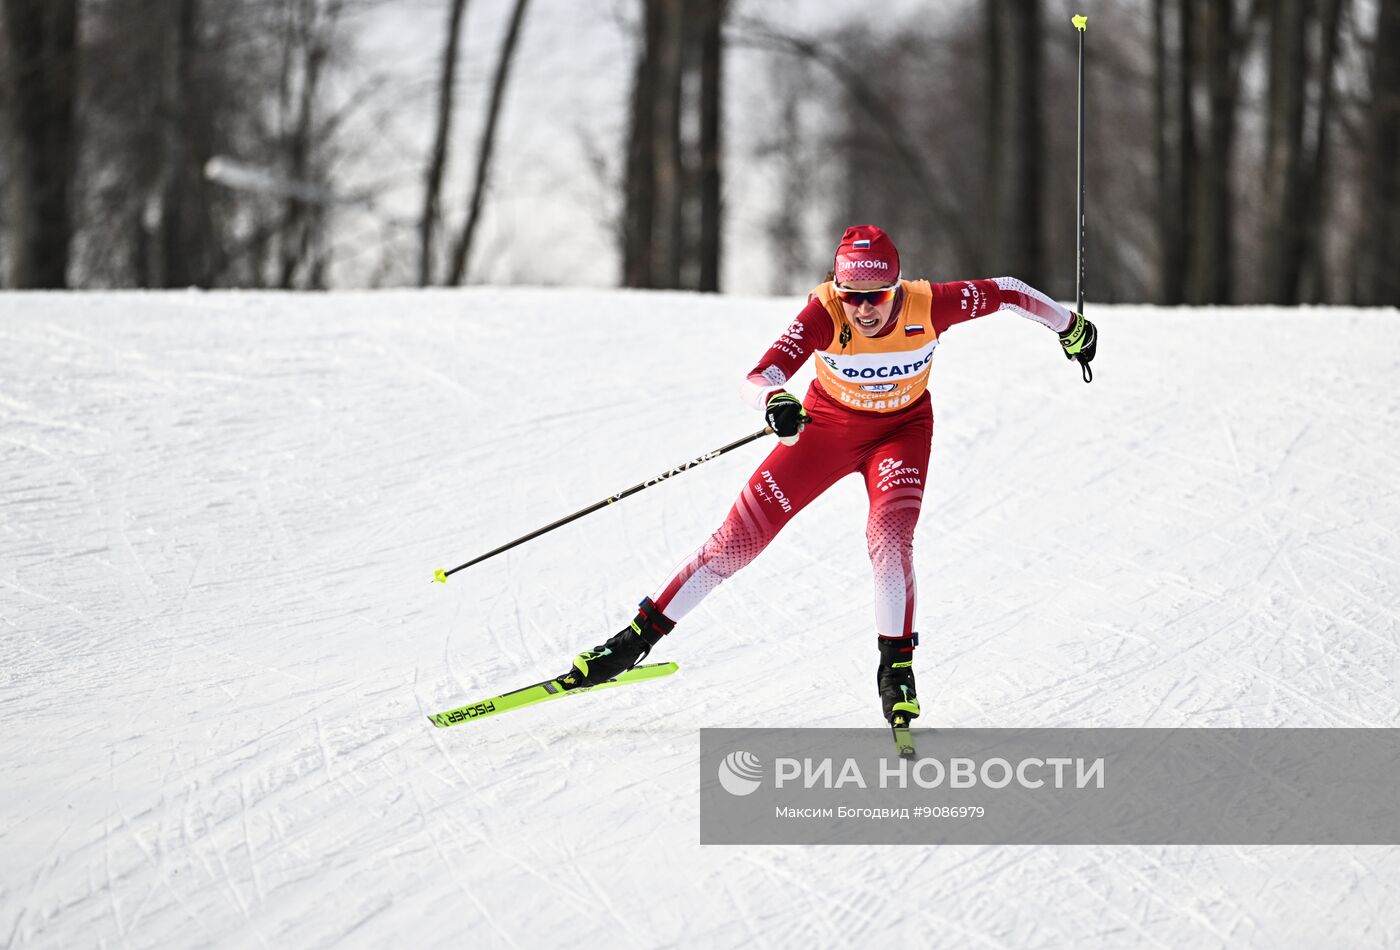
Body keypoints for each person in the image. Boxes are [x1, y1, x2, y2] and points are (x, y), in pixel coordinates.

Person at [561, 224, 1097, 726]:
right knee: (735, 543)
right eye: (851, 296)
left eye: (877, 296)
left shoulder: (930, 303)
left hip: (900, 435)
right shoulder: (824, 312)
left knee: (889, 539)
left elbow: (1006, 291)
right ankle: (634, 641)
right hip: (824, 431)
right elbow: (759, 375)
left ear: (897, 286)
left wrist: (1069, 327)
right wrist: (775, 402)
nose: (863, 309)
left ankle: (897, 671)